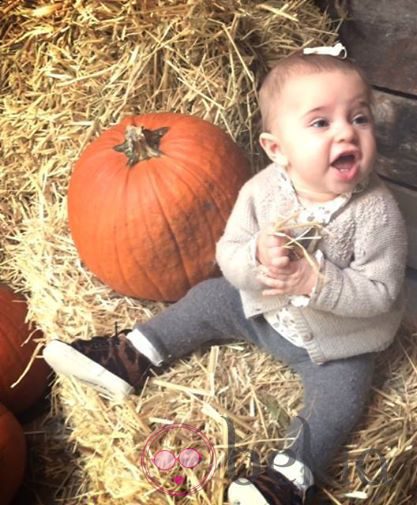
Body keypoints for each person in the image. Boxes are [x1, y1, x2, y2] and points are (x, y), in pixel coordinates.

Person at [43, 43, 408, 505]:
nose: (347, 134)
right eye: (321, 123)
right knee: (210, 297)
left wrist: (317, 283)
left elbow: (381, 293)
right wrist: (257, 256)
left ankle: (290, 478)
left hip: (335, 345)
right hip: (264, 313)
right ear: (277, 149)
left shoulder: (377, 214)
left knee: (343, 397)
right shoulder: (261, 191)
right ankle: (131, 356)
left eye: (360, 118)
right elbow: (227, 252)